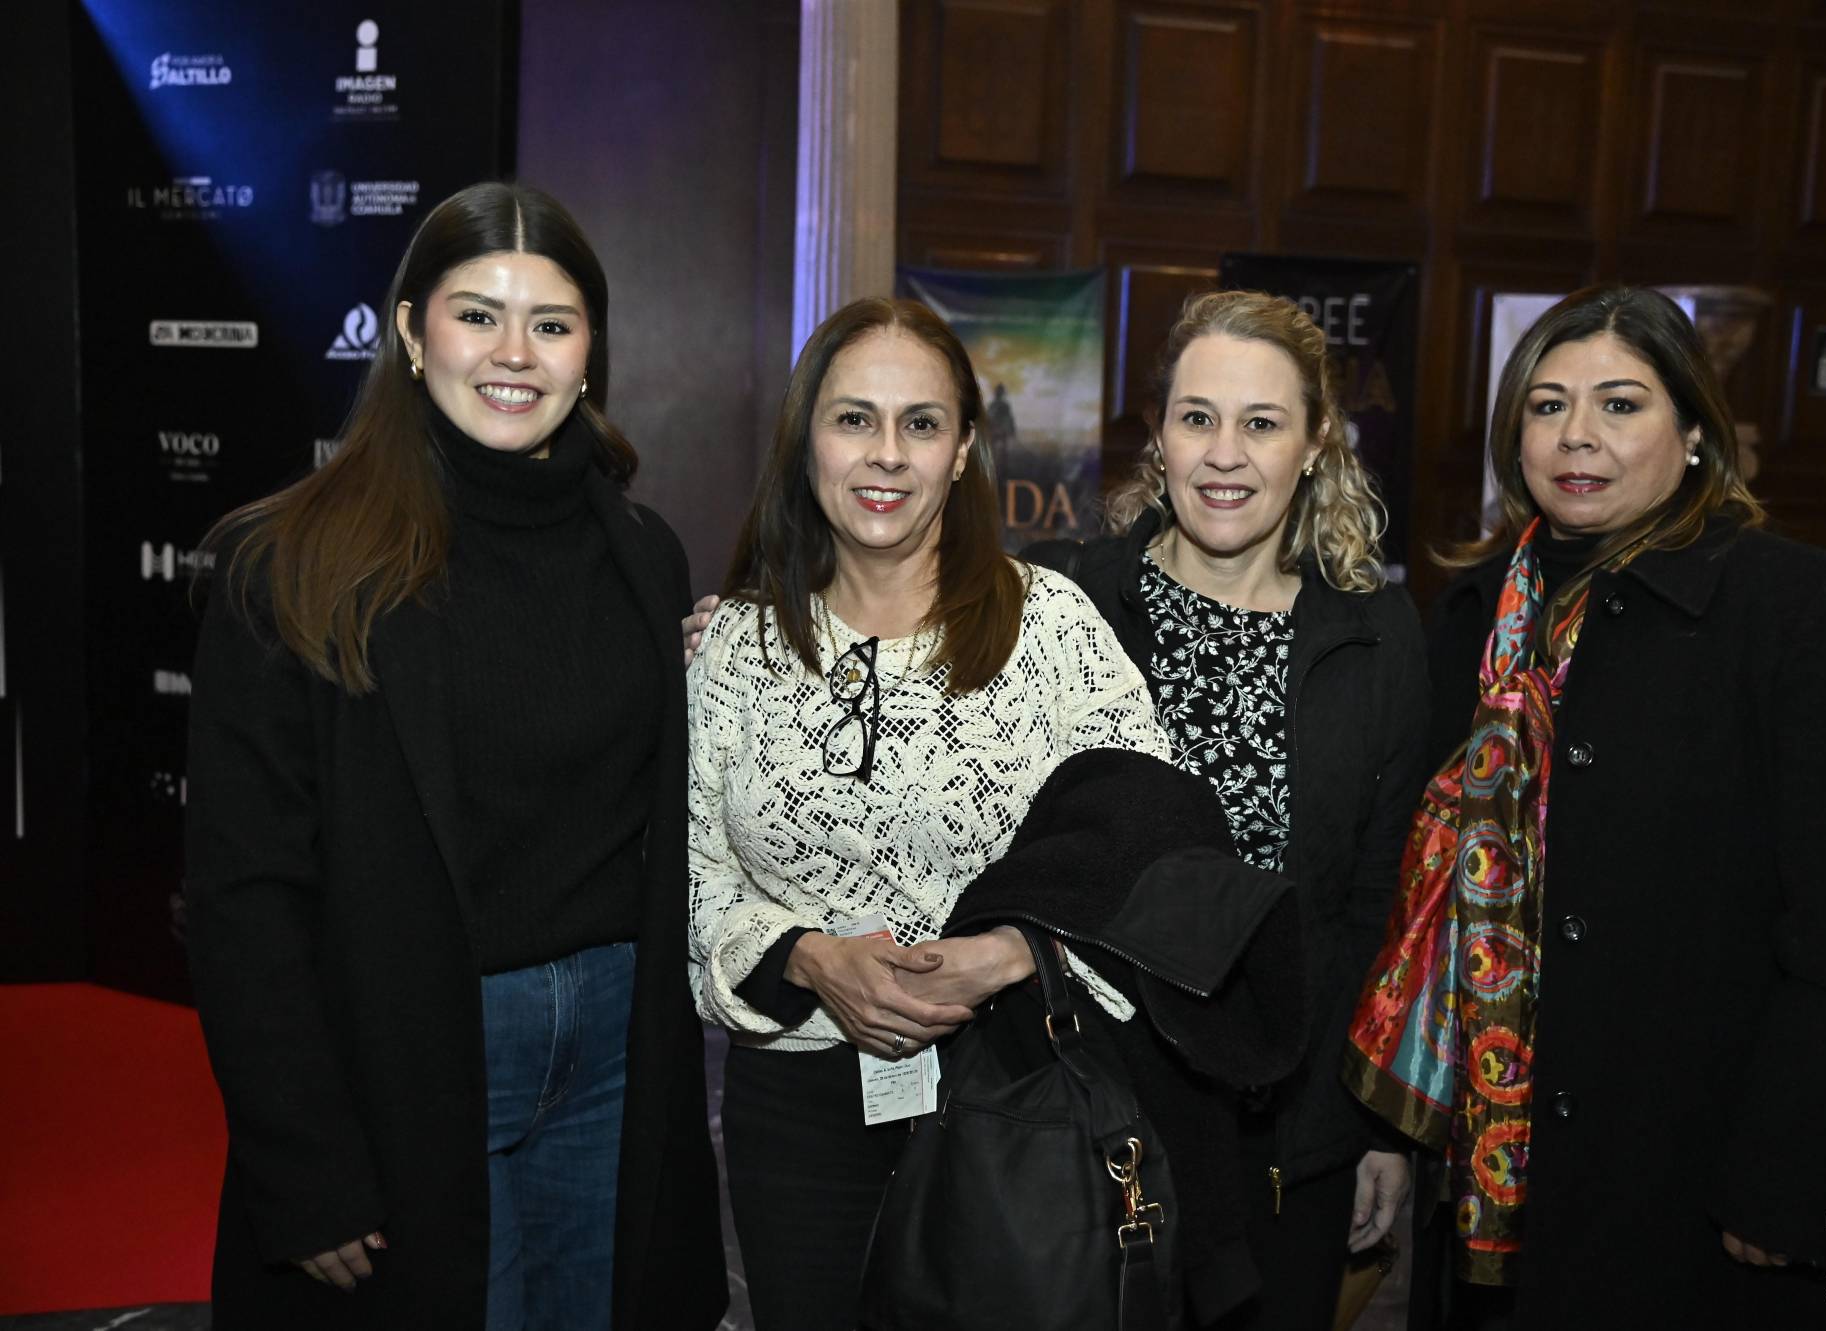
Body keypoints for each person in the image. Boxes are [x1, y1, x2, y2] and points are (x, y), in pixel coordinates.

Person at [184, 182, 725, 1330]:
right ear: (409, 330)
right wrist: (301, 1160)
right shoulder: (287, 566)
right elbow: (245, 897)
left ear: (591, 352)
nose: (513, 353)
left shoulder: (644, 553)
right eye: (477, 314)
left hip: (618, 1053)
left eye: (553, 321)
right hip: (409, 1054)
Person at [1346, 285, 1826, 1330]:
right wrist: (1389, 1125)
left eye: (1620, 403)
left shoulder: (1799, 614)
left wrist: (1784, 1167)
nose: (1576, 434)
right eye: (1545, 404)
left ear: (1696, 433)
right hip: (1501, 1186)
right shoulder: (1473, 616)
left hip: (1714, 1186)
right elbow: (1418, 902)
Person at [686, 296, 1189, 1331]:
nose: (885, 455)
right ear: (806, 439)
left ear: (962, 448)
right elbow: (689, 878)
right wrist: (809, 956)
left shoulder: (1049, 626)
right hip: (797, 1121)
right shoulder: (734, 644)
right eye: (853, 418)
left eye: (919, 423)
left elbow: (1154, 848)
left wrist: (1011, 949)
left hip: (1013, 1099)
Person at [1020, 289, 1428, 1330]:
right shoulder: (1073, 606)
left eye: (1260, 421)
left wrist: (1378, 1129)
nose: (1223, 452)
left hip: (1291, 1121)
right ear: (1156, 434)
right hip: (1101, 1110)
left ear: (1314, 441)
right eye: (1196, 416)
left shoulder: (1376, 635)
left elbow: (1387, 902)